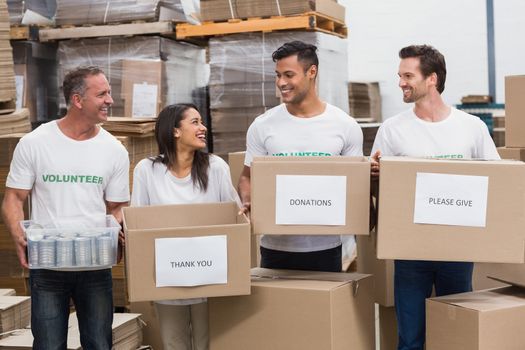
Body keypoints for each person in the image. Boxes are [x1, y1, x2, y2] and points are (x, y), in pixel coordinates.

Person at [370, 45, 500, 350]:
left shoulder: (471, 128)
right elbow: (377, 186)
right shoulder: (392, 130)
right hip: (410, 252)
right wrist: (374, 174)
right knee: (411, 338)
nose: (401, 82)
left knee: (456, 336)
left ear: (432, 79)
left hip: (457, 251)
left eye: (407, 75)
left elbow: (497, 180)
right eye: (399, 75)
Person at [1, 66, 130, 349]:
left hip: (94, 265)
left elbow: (117, 206)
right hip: (48, 263)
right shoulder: (35, 143)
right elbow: (14, 197)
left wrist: (119, 228)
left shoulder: (114, 149)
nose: (110, 100)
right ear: (77, 100)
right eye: (102, 94)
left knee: (98, 343)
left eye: (109, 93)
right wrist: (17, 233)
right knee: (48, 344)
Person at [237, 41, 363, 272]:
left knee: (322, 309)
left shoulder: (344, 125)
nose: (281, 83)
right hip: (275, 247)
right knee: (278, 310)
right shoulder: (263, 125)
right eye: (277, 75)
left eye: (288, 75)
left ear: (311, 72)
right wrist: (248, 200)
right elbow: (247, 177)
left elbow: (356, 186)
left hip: (326, 247)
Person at [131, 103, 240, 350]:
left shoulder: (215, 167)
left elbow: (235, 219)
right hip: (168, 278)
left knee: (208, 344)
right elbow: (137, 226)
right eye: (195, 122)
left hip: (211, 276)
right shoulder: (147, 171)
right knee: (173, 344)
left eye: (202, 122)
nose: (203, 128)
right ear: (175, 131)